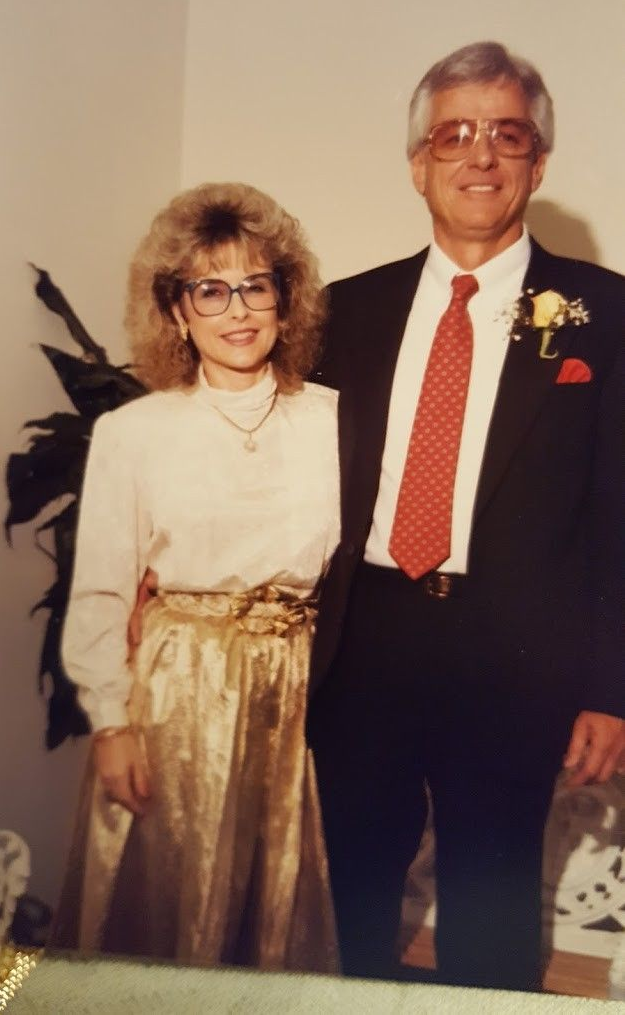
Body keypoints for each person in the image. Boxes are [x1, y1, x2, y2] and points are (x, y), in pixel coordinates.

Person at [307, 41, 625, 992]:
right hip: (366, 634)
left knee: (488, 907)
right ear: (419, 164)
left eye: (507, 135)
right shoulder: (340, 312)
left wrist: (610, 685)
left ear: (536, 162)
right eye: (454, 134)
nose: (480, 156)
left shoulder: (603, 314)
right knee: (347, 890)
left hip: (516, 649)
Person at [51, 182, 340, 973]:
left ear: (286, 299)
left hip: (299, 688)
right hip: (177, 692)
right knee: (165, 906)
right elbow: (105, 588)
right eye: (209, 290)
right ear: (176, 311)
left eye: (256, 285)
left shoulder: (334, 420)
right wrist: (111, 723)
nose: (237, 309)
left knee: (277, 908)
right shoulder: (134, 431)